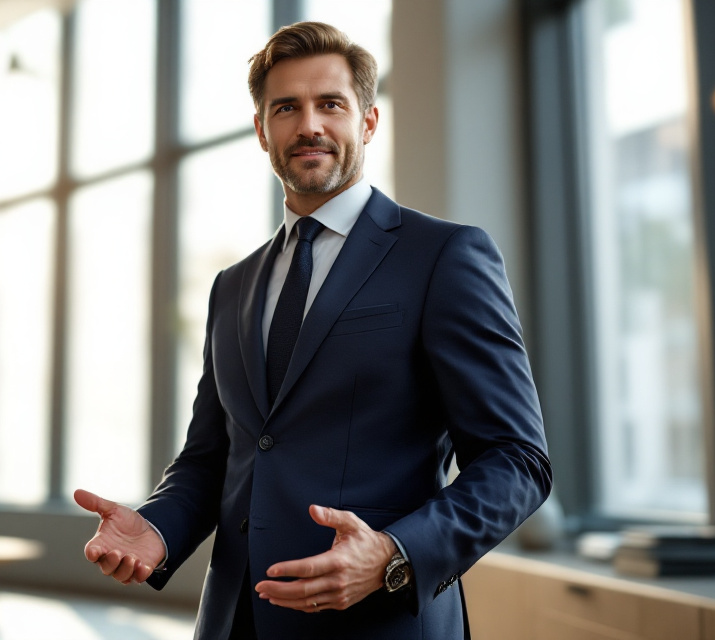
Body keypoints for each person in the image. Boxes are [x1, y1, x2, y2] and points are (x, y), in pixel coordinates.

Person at [74, 21, 551, 640]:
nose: (310, 126)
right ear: (261, 130)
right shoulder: (233, 286)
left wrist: (393, 553)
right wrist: (157, 527)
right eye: (286, 108)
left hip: (379, 623)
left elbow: (518, 460)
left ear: (369, 122)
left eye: (331, 104)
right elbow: (212, 459)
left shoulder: (444, 256)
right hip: (235, 621)